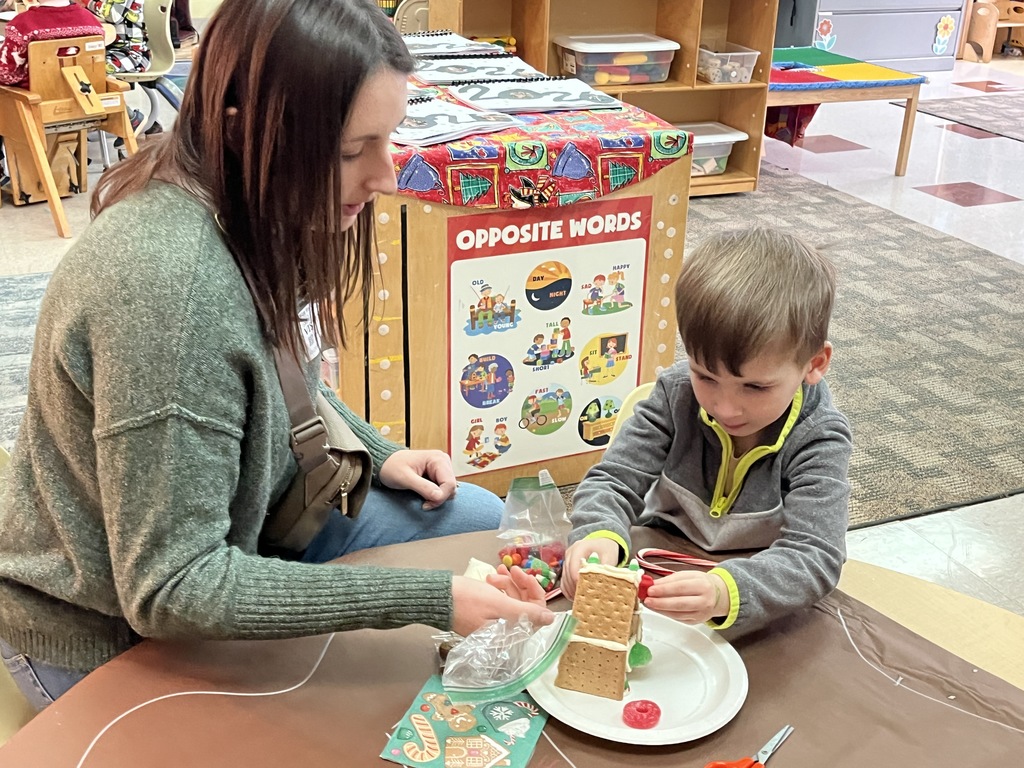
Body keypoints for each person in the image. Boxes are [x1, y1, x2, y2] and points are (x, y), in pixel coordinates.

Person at [0, 0, 552, 712]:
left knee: (477, 516)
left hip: (257, 520)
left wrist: (378, 450)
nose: (385, 177)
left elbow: (278, 369)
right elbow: (172, 587)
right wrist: (428, 598)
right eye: (354, 151)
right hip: (104, 628)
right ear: (245, 132)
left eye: (389, 140)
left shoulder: (252, 205)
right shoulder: (170, 290)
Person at [558, 226, 852, 638]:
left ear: (815, 364)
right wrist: (598, 532)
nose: (725, 407)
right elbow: (613, 479)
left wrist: (725, 591)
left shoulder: (819, 437)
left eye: (755, 386)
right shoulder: (675, 395)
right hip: (659, 562)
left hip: (755, 590)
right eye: (705, 376)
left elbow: (816, 555)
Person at [0, 0, 103, 87]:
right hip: (86, 97)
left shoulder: (22, 24)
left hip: (33, 102)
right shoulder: (93, 22)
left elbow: (6, 75)